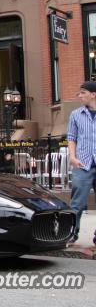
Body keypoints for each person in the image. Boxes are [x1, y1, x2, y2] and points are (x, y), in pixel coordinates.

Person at [67, 81, 96, 244]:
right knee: (77, 203)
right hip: (82, 163)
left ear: (93, 94)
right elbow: (71, 137)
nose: (80, 95)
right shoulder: (76, 115)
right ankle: (72, 233)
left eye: (83, 92)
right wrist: (72, 157)